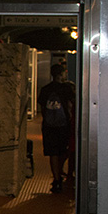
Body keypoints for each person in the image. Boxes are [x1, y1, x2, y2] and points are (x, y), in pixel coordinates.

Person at [37, 63, 75, 193]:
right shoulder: (66, 89)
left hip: (49, 126)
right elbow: (70, 105)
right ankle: (61, 171)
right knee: (63, 150)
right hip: (63, 125)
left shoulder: (45, 89)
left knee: (52, 152)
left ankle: (56, 179)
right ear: (61, 74)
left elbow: (42, 108)